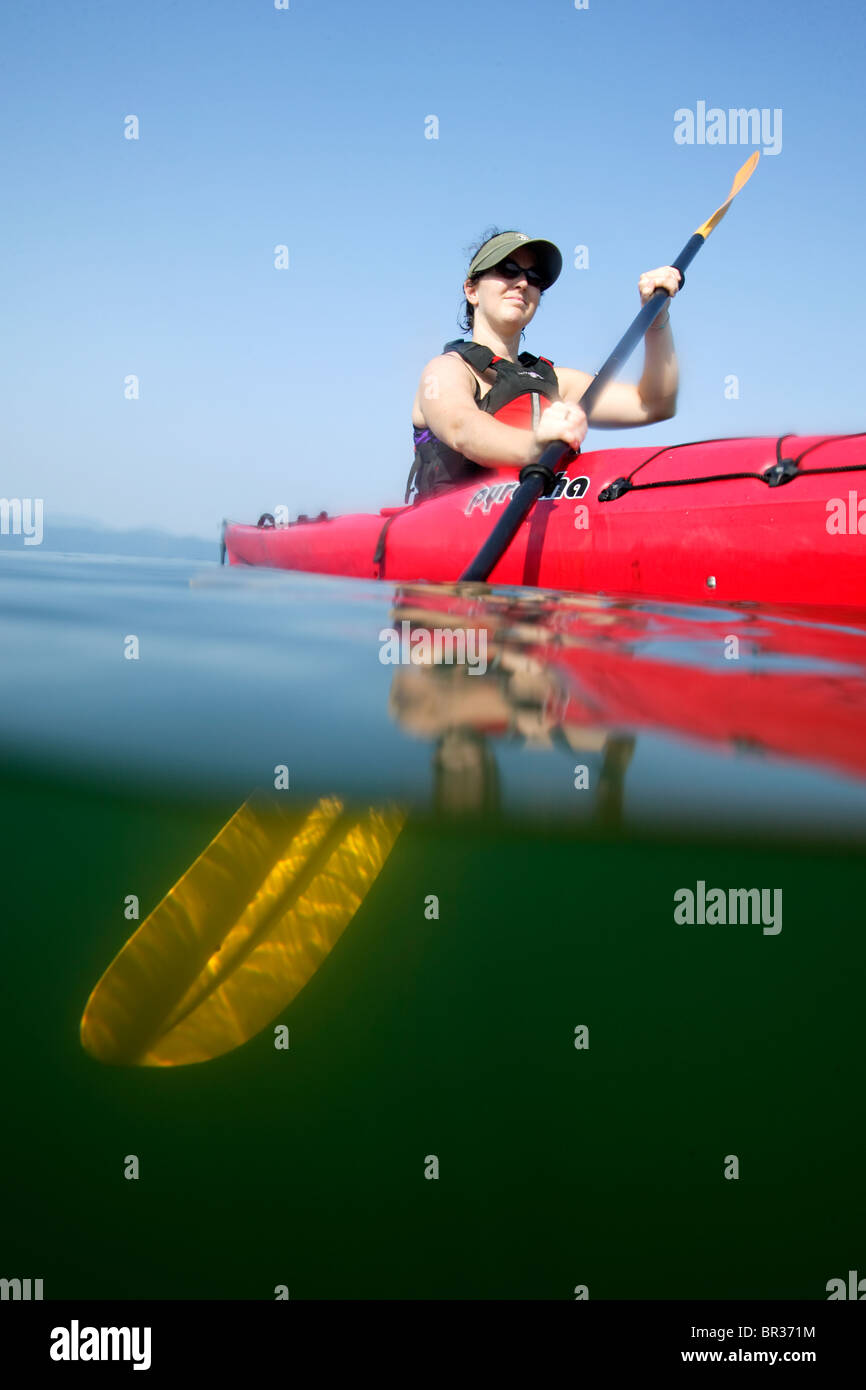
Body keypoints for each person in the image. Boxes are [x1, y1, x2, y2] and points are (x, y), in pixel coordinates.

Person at [406, 228, 681, 502]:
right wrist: (536, 446)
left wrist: (656, 320)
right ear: (472, 290)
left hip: (542, 537)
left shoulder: (556, 382)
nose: (523, 283)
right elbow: (460, 428)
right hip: (456, 536)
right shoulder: (447, 370)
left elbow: (655, 404)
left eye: (534, 277)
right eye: (508, 269)